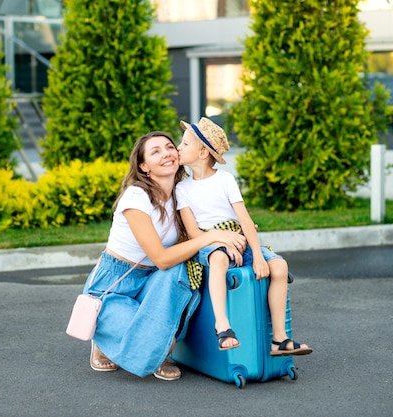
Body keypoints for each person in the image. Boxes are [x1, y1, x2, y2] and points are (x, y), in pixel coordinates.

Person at [83, 130, 247, 381]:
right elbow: (161, 257)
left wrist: (236, 232)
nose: (167, 154)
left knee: (176, 273)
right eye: (155, 151)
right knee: (154, 336)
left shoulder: (182, 193)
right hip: (115, 286)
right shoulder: (136, 196)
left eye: (170, 147)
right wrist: (213, 236)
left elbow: (208, 226)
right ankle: (104, 338)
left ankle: (157, 345)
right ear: (144, 166)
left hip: (153, 282)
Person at [176, 117, 313, 356]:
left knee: (279, 266)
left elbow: (246, 221)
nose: (178, 147)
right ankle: (223, 326)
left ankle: (279, 339)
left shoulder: (225, 180)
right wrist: (222, 241)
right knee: (218, 260)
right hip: (208, 243)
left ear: (202, 153)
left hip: (238, 237)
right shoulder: (182, 189)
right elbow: (194, 233)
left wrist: (258, 256)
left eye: (185, 144)